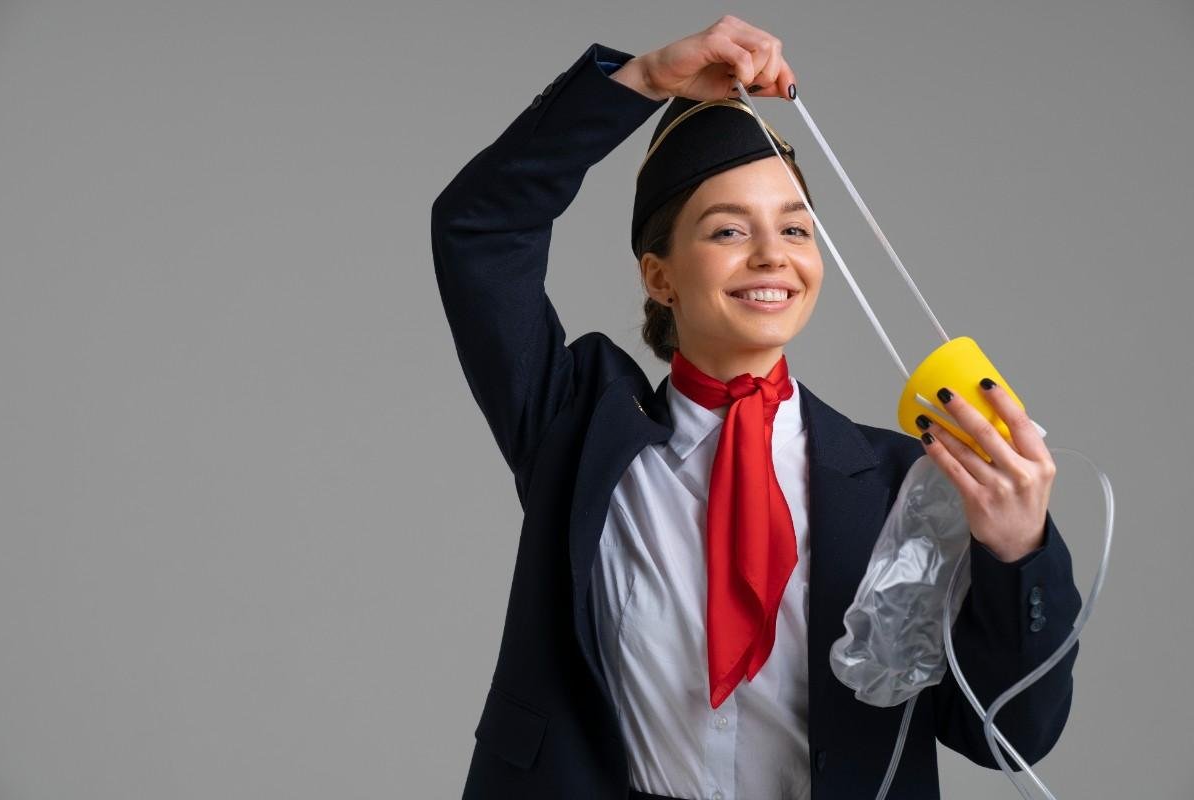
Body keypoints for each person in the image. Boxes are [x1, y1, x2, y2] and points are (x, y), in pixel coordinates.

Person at [431, 15, 1082, 800]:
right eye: (729, 229)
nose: (772, 255)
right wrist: (643, 81)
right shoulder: (576, 431)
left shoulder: (900, 482)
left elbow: (1010, 734)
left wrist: (1016, 552)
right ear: (660, 276)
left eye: (796, 230)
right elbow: (480, 228)